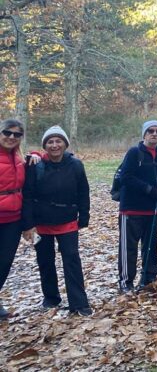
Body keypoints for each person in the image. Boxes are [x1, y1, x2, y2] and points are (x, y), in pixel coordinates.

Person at [22, 126, 92, 316]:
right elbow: (26, 196)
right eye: (50, 142)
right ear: (45, 145)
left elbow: (83, 192)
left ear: (65, 144)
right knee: (45, 261)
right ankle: (51, 298)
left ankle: (78, 302)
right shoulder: (35, 165)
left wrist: (84, 216)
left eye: (58, 141)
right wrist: (27, 224)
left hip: (67, 220)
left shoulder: (76, 165)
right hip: (41, 222)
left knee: (72, 260)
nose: (54, 145)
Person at [117, 120, 157, 293]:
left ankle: (149, 276)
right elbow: (125, 177)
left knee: (151, 244)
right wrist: (148, 189)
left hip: (153, 209)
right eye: (150, 131)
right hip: (131, 208)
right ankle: (126, 281)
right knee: (129, 246)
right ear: (144, 134)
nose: (154, 134)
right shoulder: (134, 153)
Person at [0, 119, 33, 319]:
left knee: (4, 263)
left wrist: (37, 155)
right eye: (7, 132)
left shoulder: (20, 159)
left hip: (13, 219)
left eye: (17, 134)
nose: (11, 137)